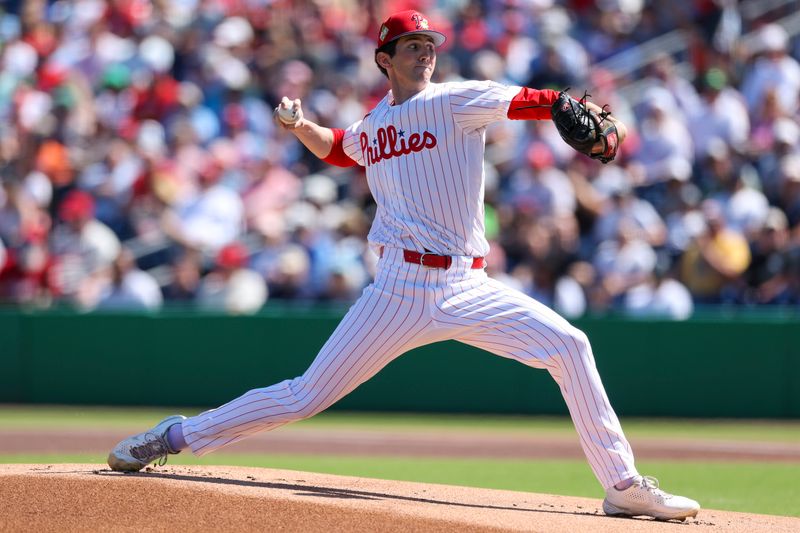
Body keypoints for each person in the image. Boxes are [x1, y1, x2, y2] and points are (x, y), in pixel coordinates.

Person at [108, 10, 700, 522]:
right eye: (412, 47)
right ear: (384, 59)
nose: (425, 54)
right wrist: (298, 127)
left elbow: (532, 100)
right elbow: (339, 147)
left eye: (429, 46)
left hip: (468, 284)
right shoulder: (378, 124)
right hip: (396, 290)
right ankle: (174, 435)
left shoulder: (457, 100)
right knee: (303, 396)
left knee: (570, 346)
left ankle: (623, 488)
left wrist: (567, 106)